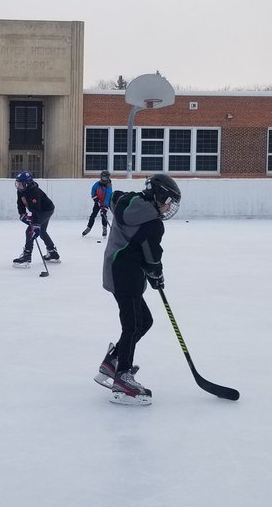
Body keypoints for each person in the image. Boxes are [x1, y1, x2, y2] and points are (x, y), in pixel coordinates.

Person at [96, 173, 181, 406]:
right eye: (167, 202)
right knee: (133, 324)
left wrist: (152, 273)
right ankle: (122, 377)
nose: (167, 208)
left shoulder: (128, 200)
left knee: (144, 321)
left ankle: (113, 361)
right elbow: (152, 257)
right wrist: (157, 274)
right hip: (127, 277)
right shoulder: (152, 223)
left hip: (115, 270)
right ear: (159, 195)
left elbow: (116, 201)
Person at [13, 171, 59, 267]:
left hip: (46, 210)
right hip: (39, 211)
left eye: (20, 184)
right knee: (42, 231)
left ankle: (27, 255)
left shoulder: (34, 192)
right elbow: (20, 203)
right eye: (17, 183)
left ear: (27, 183)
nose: (18, 186)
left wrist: (36, 225)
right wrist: (22, 214)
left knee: (30, 231)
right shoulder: (21, 191)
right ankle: (53, 253)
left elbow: (36, 210)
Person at [82, 170, 113, 237]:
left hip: (105, 203)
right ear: (101, 177)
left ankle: (104, 229)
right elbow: (93, 191)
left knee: (103, 215)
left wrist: (104, 207)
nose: (104, 179)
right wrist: (95, 198)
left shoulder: (109, 186)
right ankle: (89, 227)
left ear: (108, 178)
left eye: (105, 178)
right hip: (98, 202)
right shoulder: (97, 184)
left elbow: (108, 197)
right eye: (103, 177)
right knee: (93, 215)